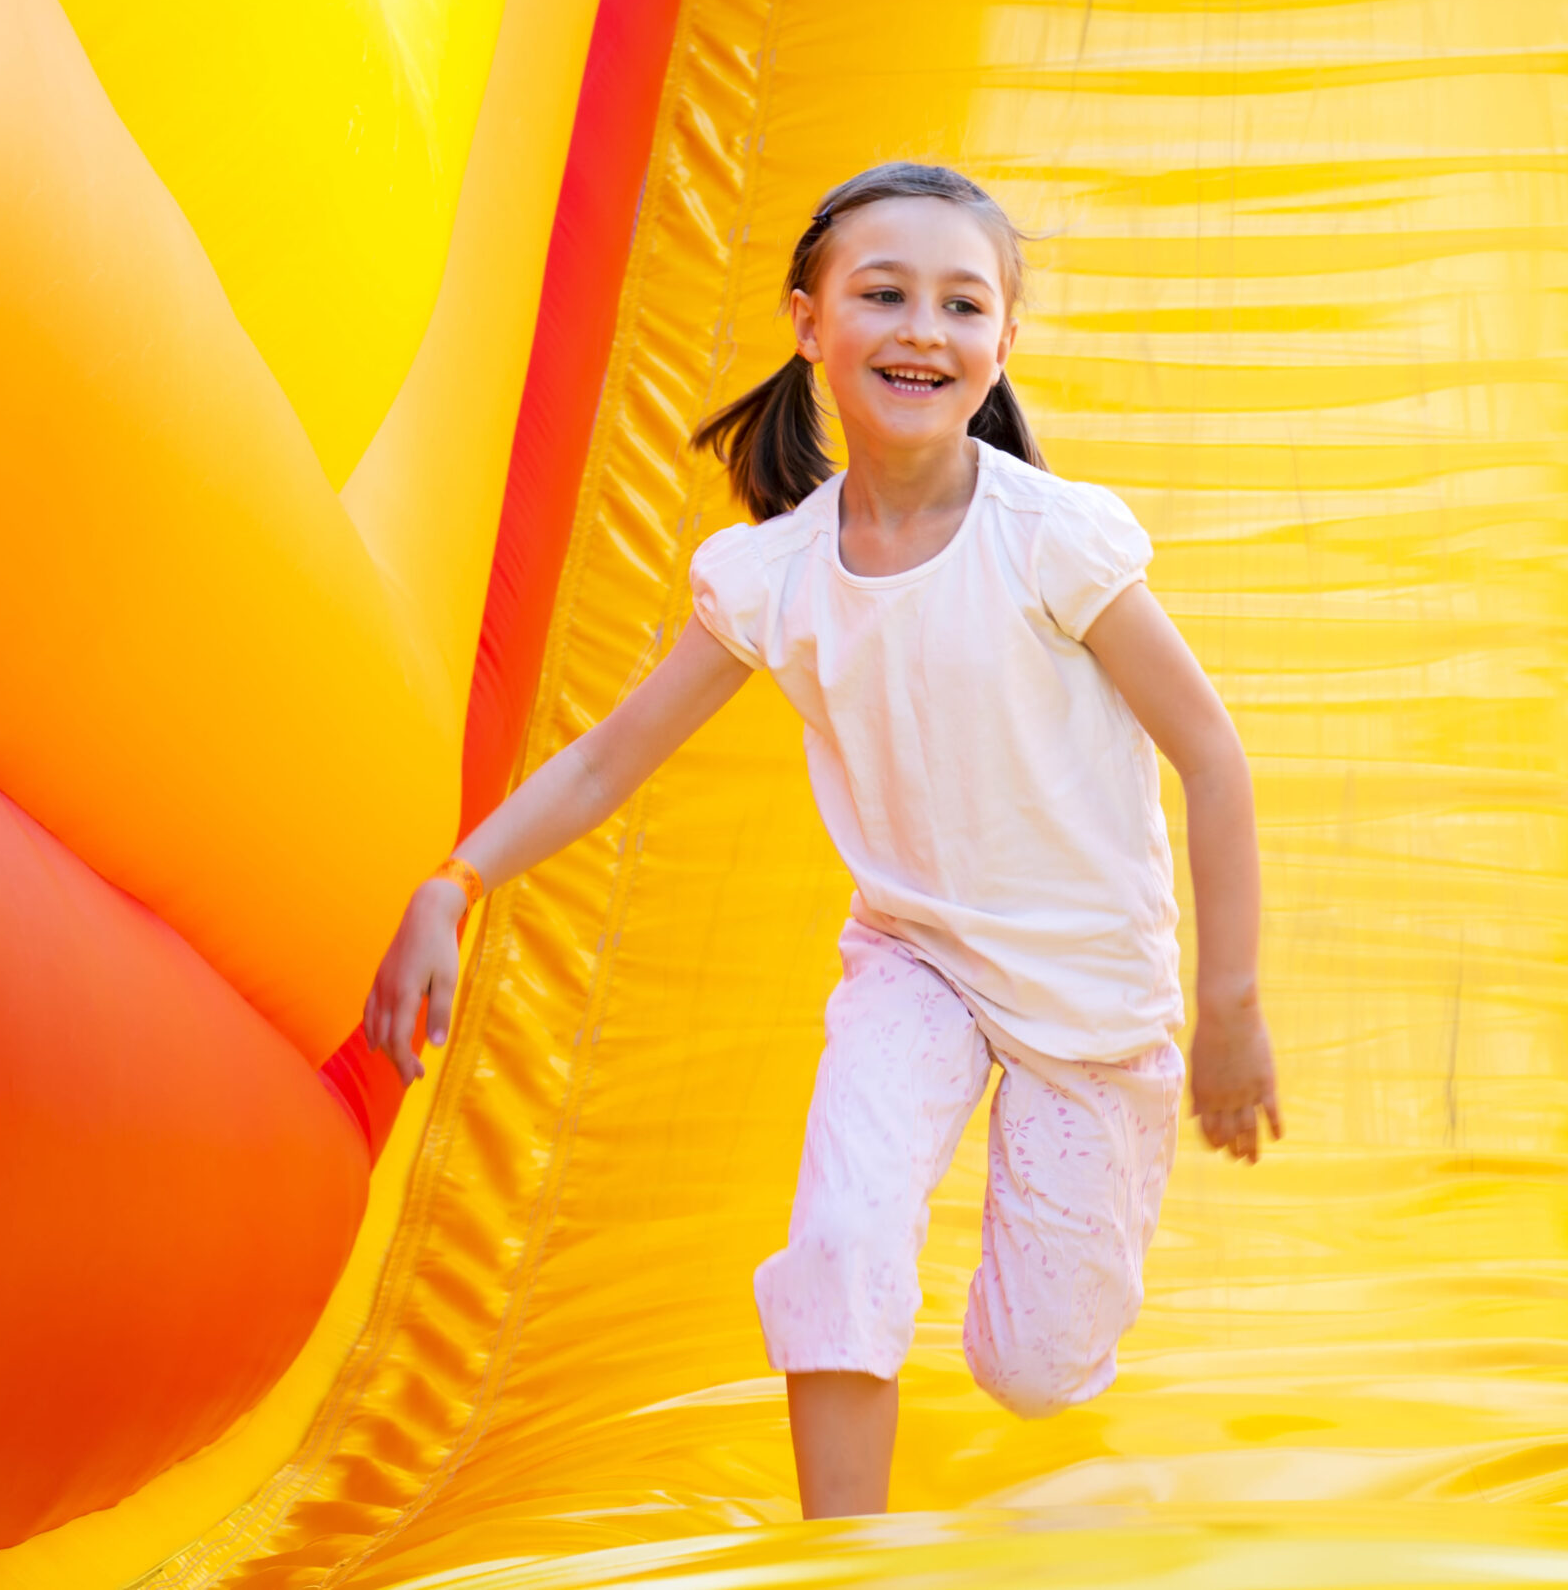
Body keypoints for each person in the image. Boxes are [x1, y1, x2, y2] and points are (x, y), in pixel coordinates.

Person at [361, 161, 1280, 1520]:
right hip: (916, 960)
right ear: (808, 320)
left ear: (1003, 344)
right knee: (843, 1236)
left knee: (1035, 1368)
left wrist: (1229, 1007)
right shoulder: (773, 572)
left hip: (1088, 990)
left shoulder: (1054, 543)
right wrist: (457, 880)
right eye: (883, 294)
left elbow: (1210, 754)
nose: (923, 328)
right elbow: (612, 753)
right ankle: (837, 1556)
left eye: (963, 304)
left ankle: (1048, 1282)